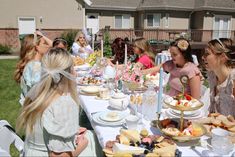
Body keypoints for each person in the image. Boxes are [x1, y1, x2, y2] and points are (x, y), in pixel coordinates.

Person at [16, 48, 99, 156]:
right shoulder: (63, 104)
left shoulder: (38, 93)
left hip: (31, 152)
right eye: (73, 68)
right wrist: (82, 145)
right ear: (68, 74)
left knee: (92, 136)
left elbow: (45, 127)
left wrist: (70, 130)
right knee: (95, 142)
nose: (75, 73)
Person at [14, 31, 52, 105]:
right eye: (45, 44)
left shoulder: (32, 64)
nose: (48, 46)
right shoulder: (35, 67)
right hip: (36, 109)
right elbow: (37, 96)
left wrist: (42, 37)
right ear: (37, 47)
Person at [203, 38, 235, 116]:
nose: (203, 57)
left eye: (207, 54)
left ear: (222, 57)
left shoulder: (233, 82)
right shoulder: (213, 76)